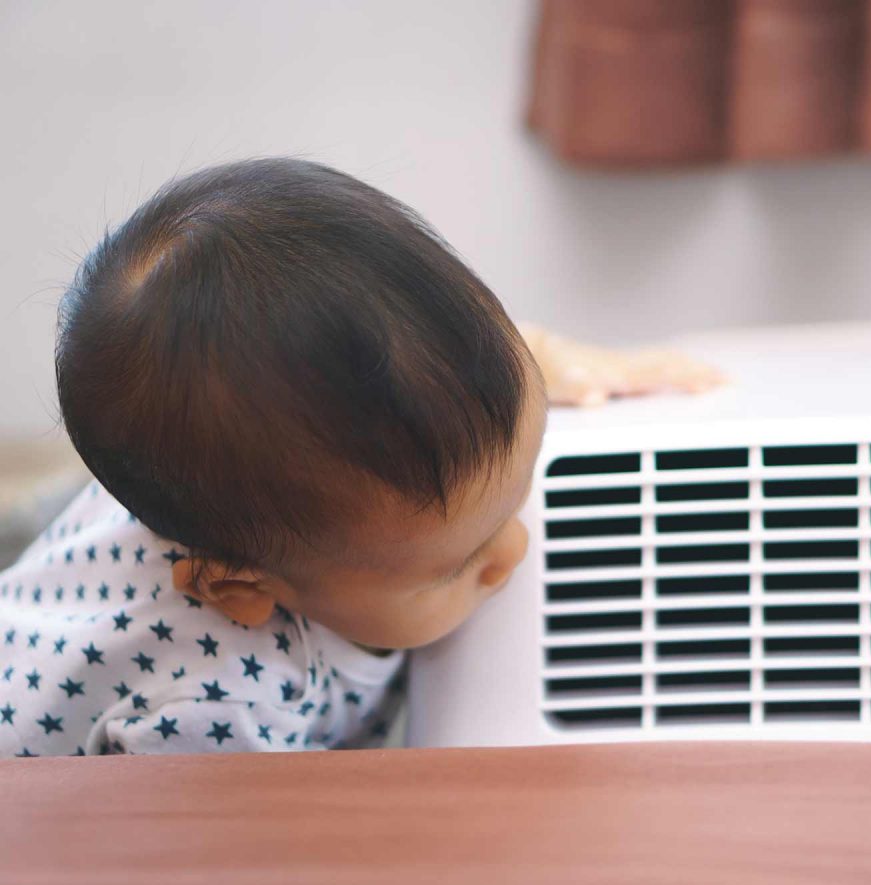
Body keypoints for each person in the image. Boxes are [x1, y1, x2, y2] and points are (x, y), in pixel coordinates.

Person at [0, 158, 719, 756]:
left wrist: (549, 362)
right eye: (455, 565)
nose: (515, 550)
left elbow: (468, 367)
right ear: (243, 594)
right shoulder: (220, 714)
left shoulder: (223, 474)